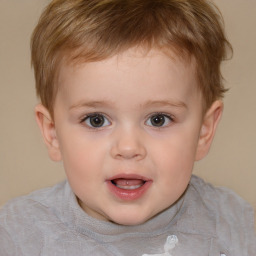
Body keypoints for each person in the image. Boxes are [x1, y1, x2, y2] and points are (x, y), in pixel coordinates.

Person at [0, 0, 255, 255]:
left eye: (158, 119)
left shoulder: (237, 229)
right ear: (52, 133)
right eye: (96, 120)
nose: (129, 147)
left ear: (204, 130)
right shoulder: (17, 235)